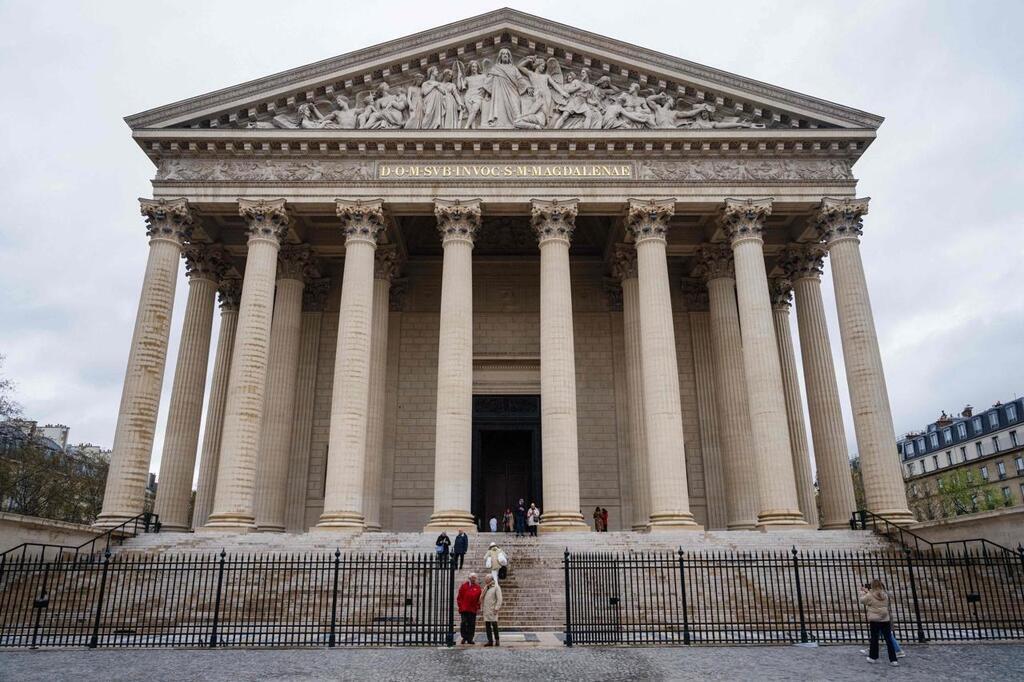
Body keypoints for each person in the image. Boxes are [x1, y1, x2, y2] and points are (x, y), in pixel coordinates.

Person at [859, 579, 899, 666]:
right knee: (888, 639)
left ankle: (873, 657)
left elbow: (862, 601)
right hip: (885, 619)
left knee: (874, 639)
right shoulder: (885, 594)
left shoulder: (870, 595)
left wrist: (862, 593)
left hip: (875, 619)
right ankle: (893, 660)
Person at [456, 573, 482, 645]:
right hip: (464, 609)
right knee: (464, 623)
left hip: (472, 609)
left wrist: (478, 607)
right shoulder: (464, 586)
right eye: (472, 577)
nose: (474, 579)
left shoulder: (478, 587)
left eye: (475, 578)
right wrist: (460, 606)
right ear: (469, 578)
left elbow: (479, 599)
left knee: (471, 624)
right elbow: (459, 597)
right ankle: (464, 637)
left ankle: (470, 638)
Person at [481, 574, 503, 647]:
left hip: (493, 609)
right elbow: (482, 597)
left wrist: (497, 608)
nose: (485, 580)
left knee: (494, 625)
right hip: (486, 609)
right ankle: (490, 641)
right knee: (487, 626)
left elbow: (499, 599)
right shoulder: (486, 587)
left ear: (490, 579)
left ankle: (497, 640)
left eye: (486, 579)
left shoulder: (496, 587)